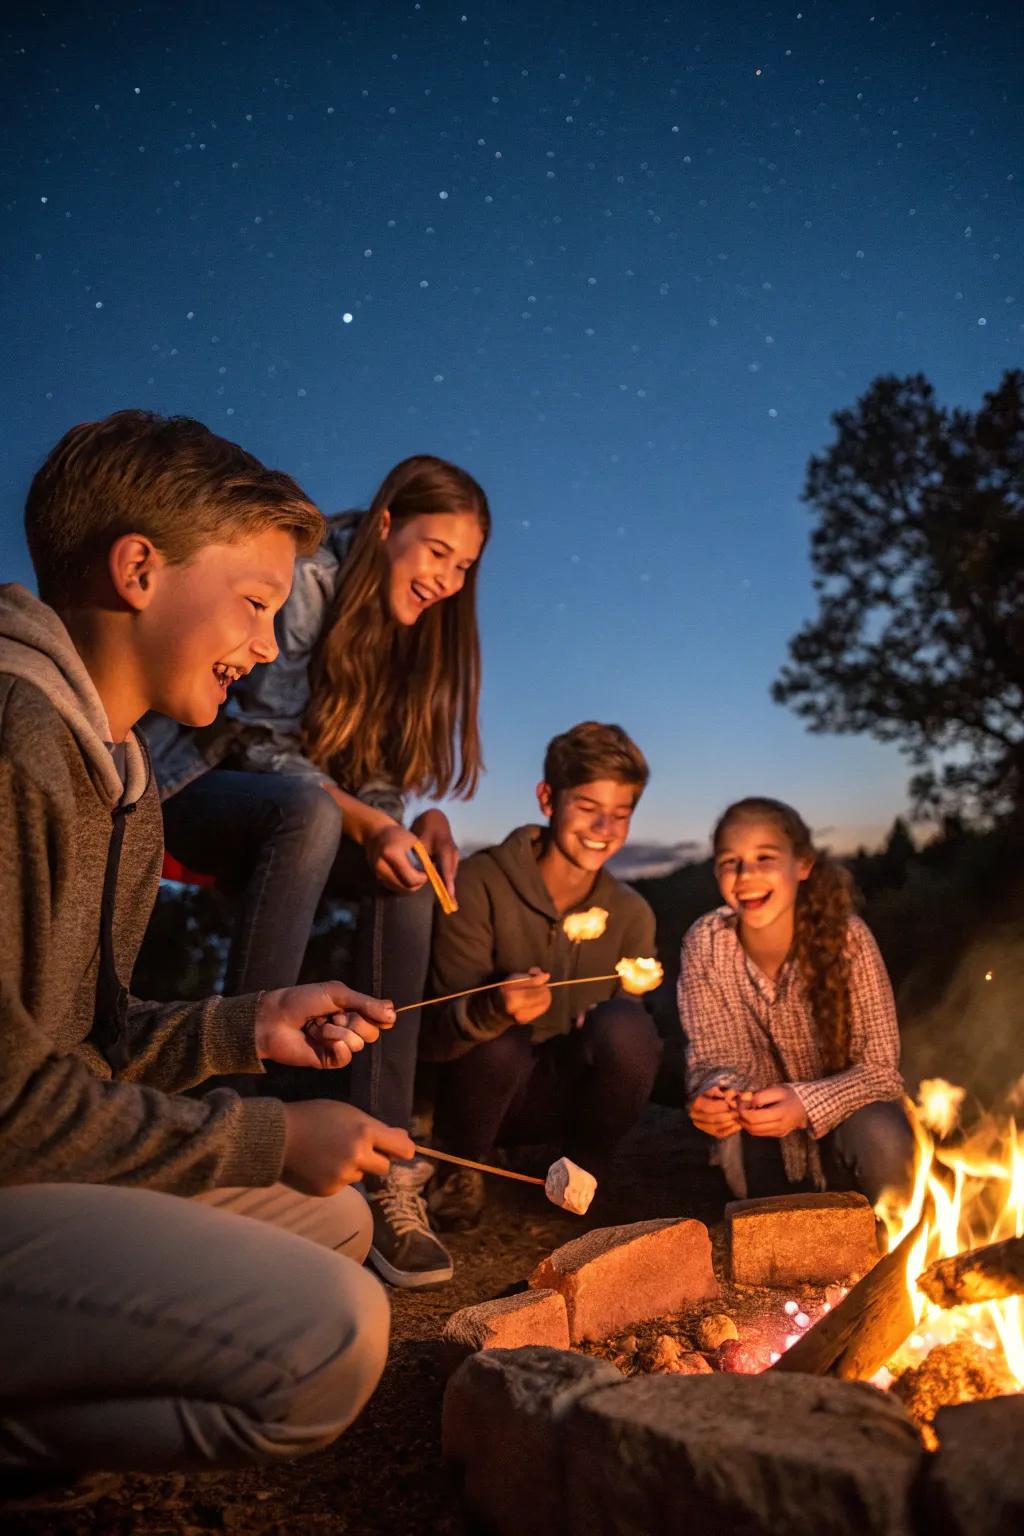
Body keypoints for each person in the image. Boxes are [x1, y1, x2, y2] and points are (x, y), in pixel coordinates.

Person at [0, 410, 416, 1478]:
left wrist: (248, 1026)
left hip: (33, 1168)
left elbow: (80, 1047)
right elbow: (10, 1112)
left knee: (336, 1229)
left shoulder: (126, 787)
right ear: (139, 569)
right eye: (255, 603)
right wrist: (264, 1140)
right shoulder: (17, 750)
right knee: (333, 1336)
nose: (270, 647)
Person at [144, 454, 490, 1290]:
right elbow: (257, 740)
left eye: (465, 566)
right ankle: (240, 1132)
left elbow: (373, 784)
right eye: (436, 550)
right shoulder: (307, 580)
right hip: (199, 782)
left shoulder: (415, 640)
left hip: (316, 808)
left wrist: (402, 827)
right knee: (314, 813)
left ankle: (384, 1162)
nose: (447, 578)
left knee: (401, 881)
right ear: (385, 525)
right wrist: (366, 819)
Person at [422, 721, 662, 1230]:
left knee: (628, 1027)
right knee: (503, 1038)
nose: (604, 831)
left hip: (557, 1095)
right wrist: (492, 1008)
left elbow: (627, 1044)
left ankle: (582, 1176)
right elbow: (432, 1037)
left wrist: (607, 1025)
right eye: (589, 809)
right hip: (473, 1090)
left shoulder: (632, 913)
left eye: (620, 815)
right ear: (547, 799)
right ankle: (459, 1168)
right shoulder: (479, 883)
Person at [678, 796, 915, 1207]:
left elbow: (880, 1072)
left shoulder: (848, 939)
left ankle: (893, 1244)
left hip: (851, 1136)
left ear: (802, 865)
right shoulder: (705, 943)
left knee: (883, 1132)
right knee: (773, 1243)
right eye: (729, 862)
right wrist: (716, 1095)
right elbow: (714, 1058)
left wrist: (806, 1103)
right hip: (759, 1136)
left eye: (764, 857)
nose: (745, 875)